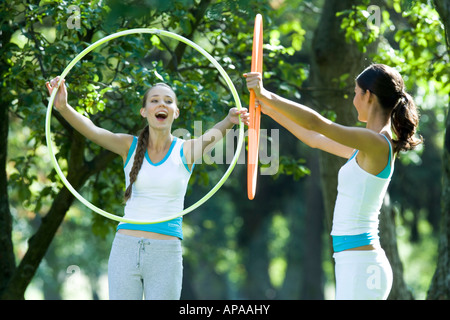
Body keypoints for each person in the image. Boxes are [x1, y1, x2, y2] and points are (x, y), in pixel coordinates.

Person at [46, 77, 249, 300]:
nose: (162, 104)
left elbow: (212, 135)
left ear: (176, 112)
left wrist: (230, 120)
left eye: (168, 101)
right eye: (154, 100)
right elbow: (93, 131)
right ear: (144, 111)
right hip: (125, 248)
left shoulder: (185, 151)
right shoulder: (128, 146)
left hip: (166, 253)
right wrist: (63, 108)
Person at [245, 63, 422, 300]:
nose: (353, 100)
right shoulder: (366, 147)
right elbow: (314, 137)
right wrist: (267, 109)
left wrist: (267, 94)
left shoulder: (377, 143)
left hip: (363, 267)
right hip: (353, 263)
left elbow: (317, 124)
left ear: (368, 96)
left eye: (355, 93)